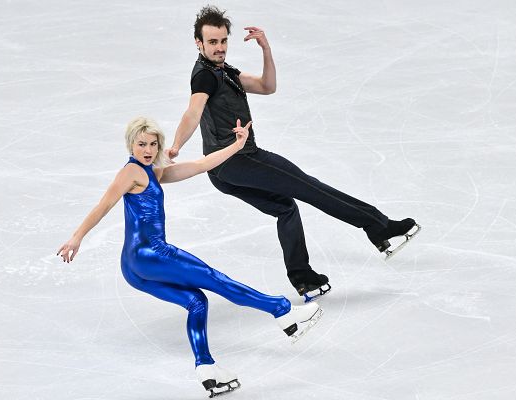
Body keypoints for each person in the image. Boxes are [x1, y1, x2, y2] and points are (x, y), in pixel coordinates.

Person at [166, 6, 420, 302]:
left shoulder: (225, 73)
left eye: (223, 41)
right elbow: (192, 112)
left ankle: (304, 279)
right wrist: (176, 145)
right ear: (199, 43)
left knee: (285, 208)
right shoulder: (205, 78)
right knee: (311, 188)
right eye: (212, 42)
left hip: (222, 172)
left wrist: (266, 49)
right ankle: (380, 226)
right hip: (240, 160)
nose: (219, 47)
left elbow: (267, 86)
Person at [57, 117, 323, 397]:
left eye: (153, 144)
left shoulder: (153, 172)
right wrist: (77, 237)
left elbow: (200, 166)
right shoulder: (130, 173)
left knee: (197, 302)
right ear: (130, 145)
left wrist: (237, 145)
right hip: (152, 254)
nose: (148, 149)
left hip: (133, 267)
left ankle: (206, 369)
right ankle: (283, 312)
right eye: (141, 144)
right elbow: (104, 204)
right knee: (215, 279)